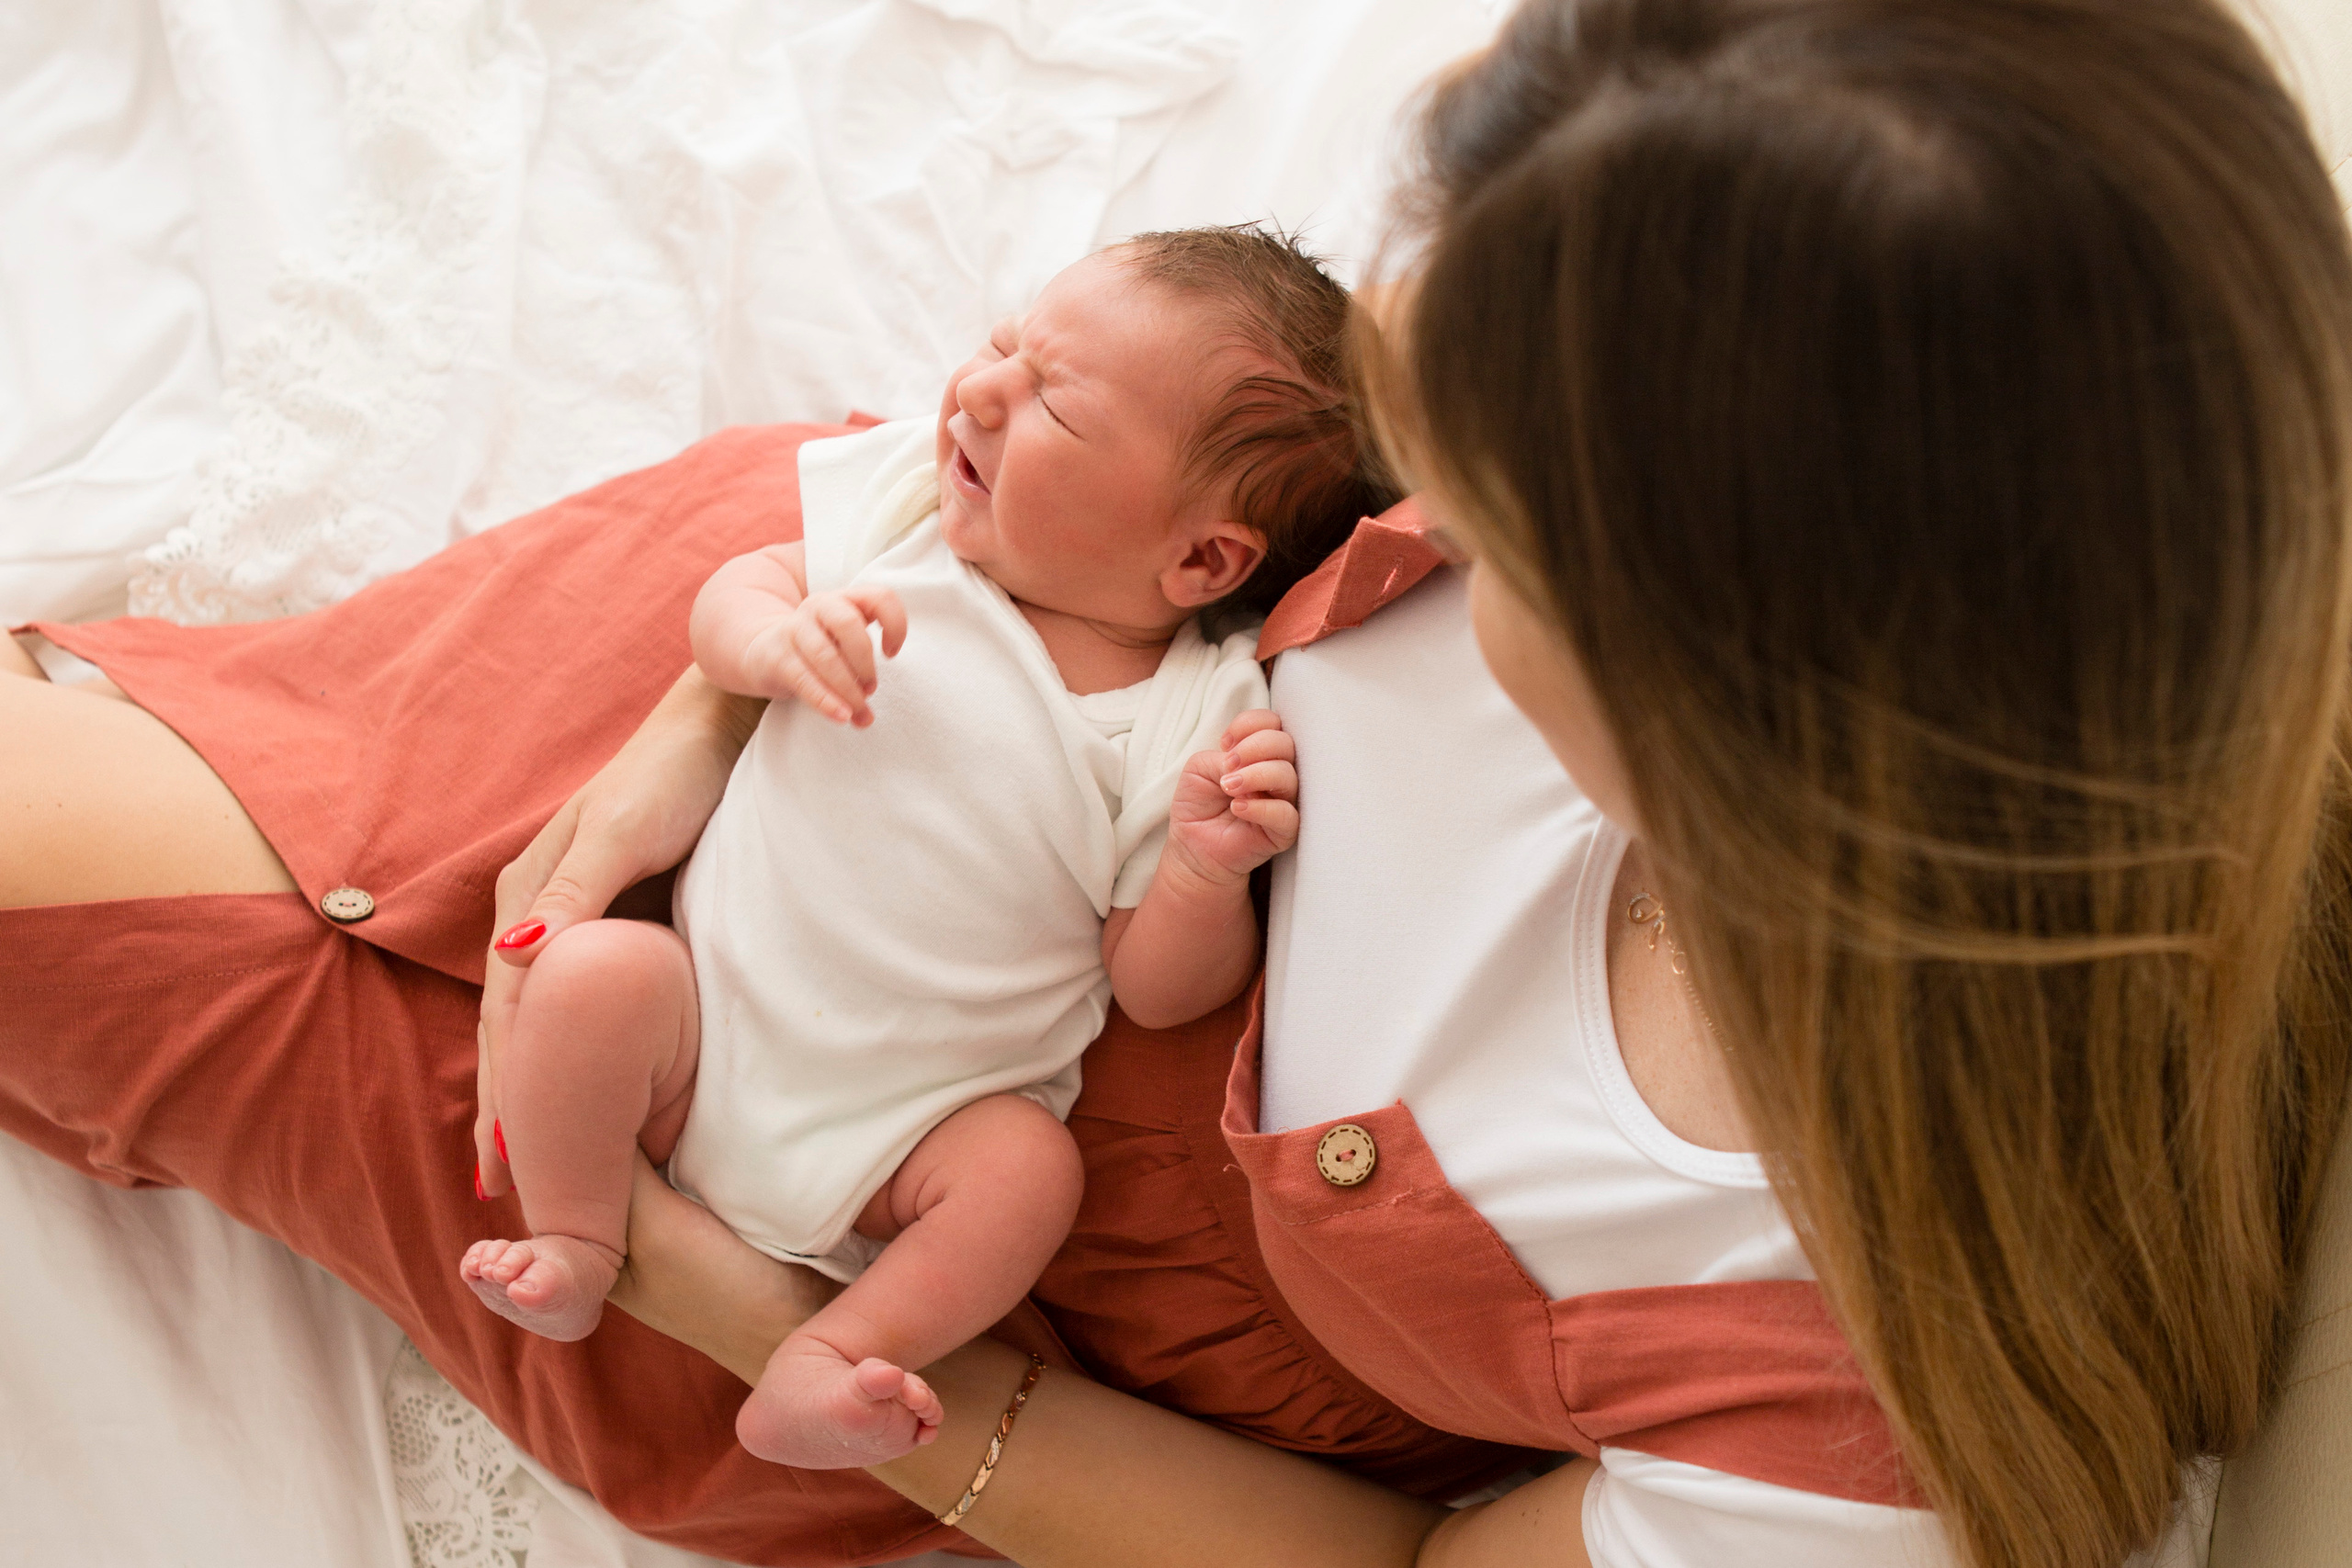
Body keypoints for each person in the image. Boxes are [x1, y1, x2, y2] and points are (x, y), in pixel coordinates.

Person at [6, 2, 2348, 1566]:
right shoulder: (1860, 375)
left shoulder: (1846, 1398)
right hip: (896, 678)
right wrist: (679, 738)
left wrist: (730, 1297)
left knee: (106, 921)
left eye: (1478, 516)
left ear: (1742, 707)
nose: (1409, 516)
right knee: (167, 774)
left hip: (899, 1258)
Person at [459, 231, 1346, 1472]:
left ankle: (826, 1354)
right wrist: (771, 639)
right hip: (698, 1028)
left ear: (1200, 559)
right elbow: (740, 586)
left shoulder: (1192, 711)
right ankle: (576, 1241)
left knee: (1029, 1173)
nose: (979, 392)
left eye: (1054, 405)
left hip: (909, 1142)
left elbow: (1155, 986)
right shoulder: (914, 518)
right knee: (596, 971)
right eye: (1003, 345)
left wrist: (1205, 868)